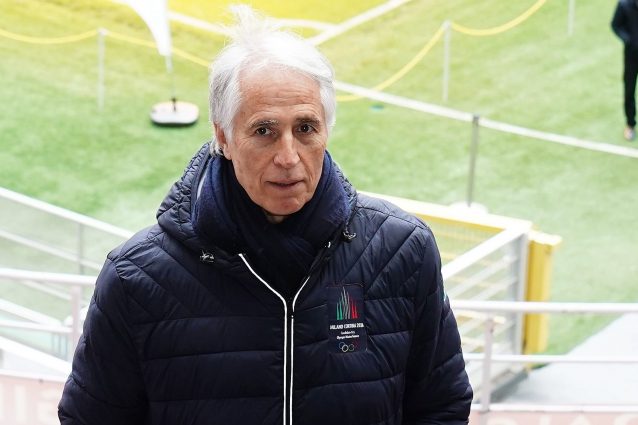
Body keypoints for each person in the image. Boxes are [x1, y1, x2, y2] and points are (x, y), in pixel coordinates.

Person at [58, 5, 473, 425]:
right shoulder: (136, 279)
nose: (289, 157)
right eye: (264, 131)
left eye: (305, 128)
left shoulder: (404, 250)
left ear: (326, 130)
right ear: (223, 136)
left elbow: (442, 406)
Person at [612, 0, 638, 141]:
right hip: (632, 56)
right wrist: (629, 40)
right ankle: (630, 124)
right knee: (629, 91)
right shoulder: (624, 5)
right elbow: (615, 25)